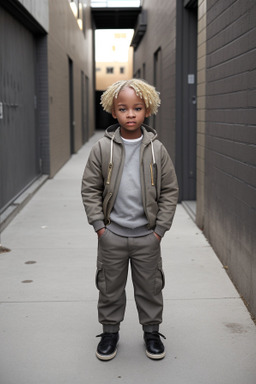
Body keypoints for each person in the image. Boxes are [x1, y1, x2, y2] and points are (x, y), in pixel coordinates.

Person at [81, 79, 179, 361]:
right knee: (110, 288)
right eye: (123, 109)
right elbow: (90, 188)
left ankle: (151, 332)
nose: (131, 114)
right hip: (112, 235)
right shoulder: (103, 148)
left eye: (137, 108)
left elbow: (170, 190)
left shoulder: (157, 149)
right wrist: (100, 227)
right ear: (114, 112)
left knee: (150, 287)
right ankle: (110, 332)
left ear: (147, 110)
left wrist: (159, 230)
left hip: (147, 236)